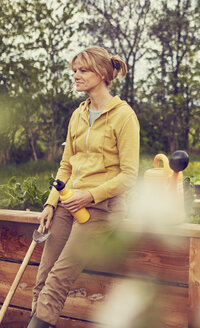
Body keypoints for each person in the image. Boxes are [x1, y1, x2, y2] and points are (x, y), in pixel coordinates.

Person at [28, 46, 140, 328]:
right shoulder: (77, 115)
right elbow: (66, 166)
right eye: (74, 71)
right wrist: (50, 203)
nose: (76, 76)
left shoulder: (123, 116)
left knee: (57, 280)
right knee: (42, 279)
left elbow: (129, 175)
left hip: (101, 209)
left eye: (83, 70)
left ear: (102, 73)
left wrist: (89, 195)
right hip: (67, 205)